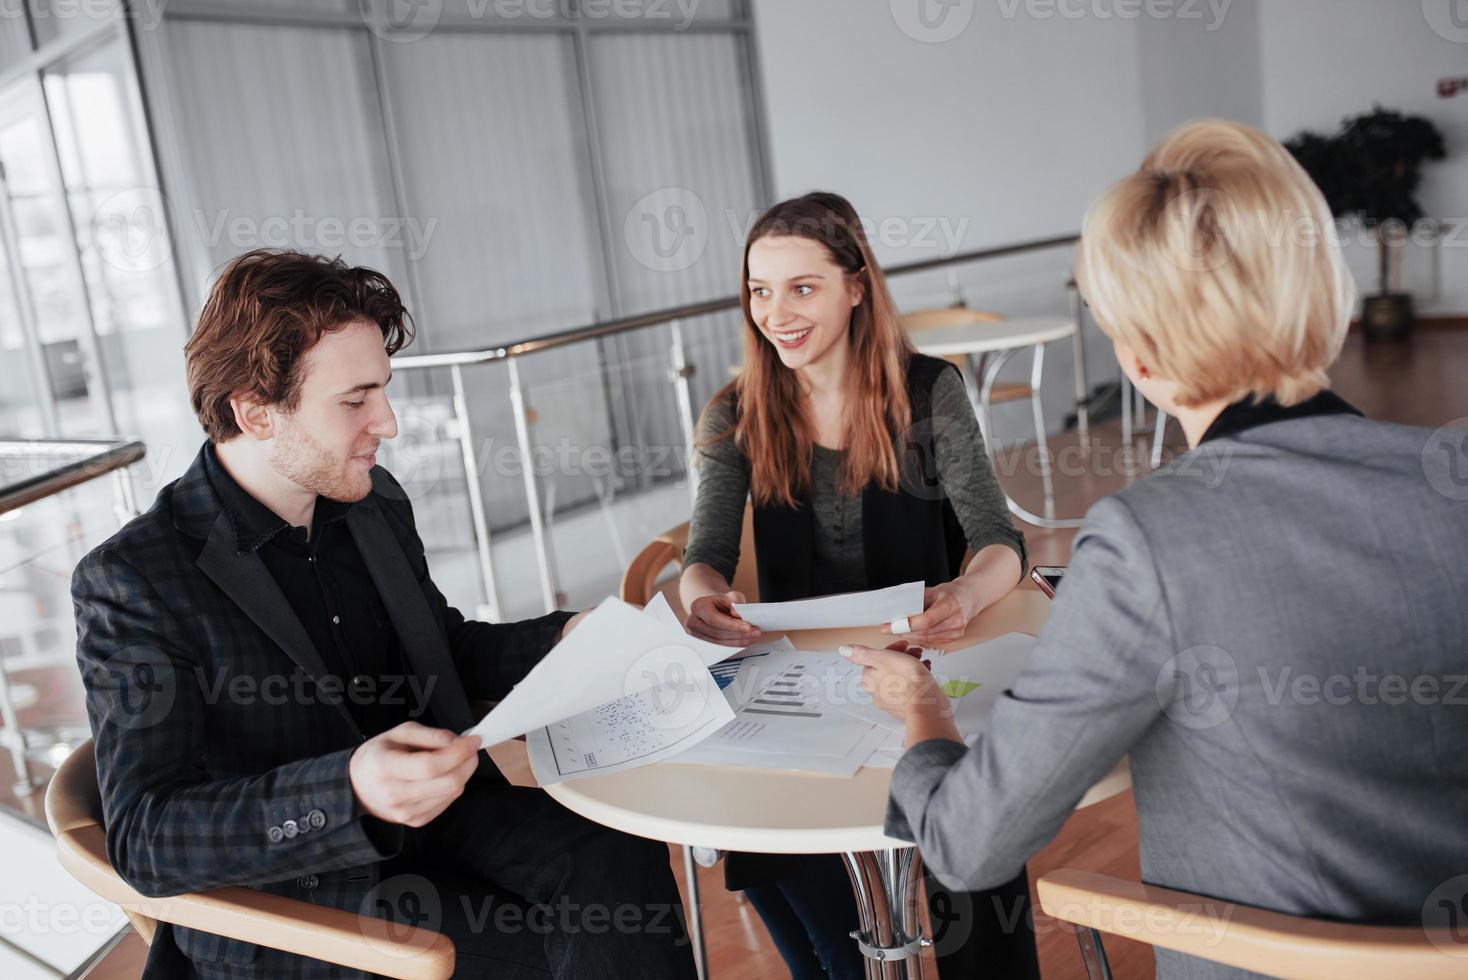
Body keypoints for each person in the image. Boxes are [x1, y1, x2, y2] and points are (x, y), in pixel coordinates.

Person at [845, 120, 1468, 978]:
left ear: (1135, 355)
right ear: (1325, 296)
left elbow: (966, 845)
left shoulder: (1149, 541)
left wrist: (922, 710)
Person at [72, 249, 697, 980]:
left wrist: (566, 638)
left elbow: (442, 648)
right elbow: (148, 837)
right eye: (355, 400)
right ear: (254, 412)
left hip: (432, 825)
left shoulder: (370, 503)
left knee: (615, 850)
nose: (389, 423)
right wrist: (350, 790)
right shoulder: (134, 579)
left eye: (384, 392)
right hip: (293, 897)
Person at [679, 192, 1037, 978]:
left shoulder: (927, 391)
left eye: (801, 287)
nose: (776, 313)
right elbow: (701, 554)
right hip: (803, 683)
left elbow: (999, 542)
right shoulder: (735, 411)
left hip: (924, 666)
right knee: (811, 909)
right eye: (760, 290)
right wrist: (700, 596)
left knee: (970, 827)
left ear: (856, 285)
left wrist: (967, 596)